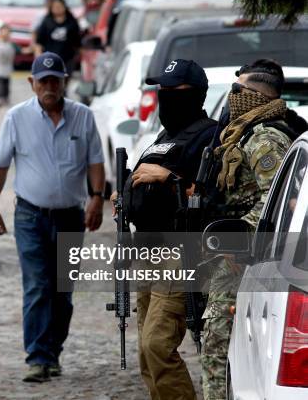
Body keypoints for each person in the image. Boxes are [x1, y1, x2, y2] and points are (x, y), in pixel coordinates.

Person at [0, 52, 105, 383]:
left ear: (65, 82)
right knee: (38, 284)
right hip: (30, 216)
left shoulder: (83, 117)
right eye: (44, 81)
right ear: (32, 83)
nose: (50, 87)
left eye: (56, 81)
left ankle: (53, 352)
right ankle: (37, 357)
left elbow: (95, 160)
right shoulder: (16, 118)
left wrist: (96, 198)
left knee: (62, 290)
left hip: (70, 217)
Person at [112, 59, 217, 400]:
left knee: (158, 344)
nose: (166, 97)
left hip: (181, 254)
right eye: (163, 91)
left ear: (195, 95)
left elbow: (211, 195)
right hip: (148, 250)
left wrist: (170, 178)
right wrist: (125, 192)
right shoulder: (165, 135)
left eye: (175, 92)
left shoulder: (209, 136)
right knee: (146, 349)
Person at [201, 59, 298, 400]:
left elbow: (279, 200)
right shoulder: (243, 132)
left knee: (216, 336)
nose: (232, 97)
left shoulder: (265, 138)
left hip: (246, 255)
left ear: (254, 95)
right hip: (238, 252)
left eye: (238, 90)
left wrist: (240, 237)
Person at [34, 0, 81, 76]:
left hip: (68, 58)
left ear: (64, 7)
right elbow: (39, 41)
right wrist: (38, 57)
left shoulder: (72, 22)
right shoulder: (46, 21)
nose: (58, 9)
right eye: (55, 7)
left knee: (64, 81)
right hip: (49, 58)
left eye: (60, 6)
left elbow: (77, 40)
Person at [0, 24, 19, 108]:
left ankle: (6, 98)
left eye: (7, 32)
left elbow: (20, 50)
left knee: (6, 84)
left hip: (7, 67)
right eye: (3, 32)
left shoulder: (12, 44)